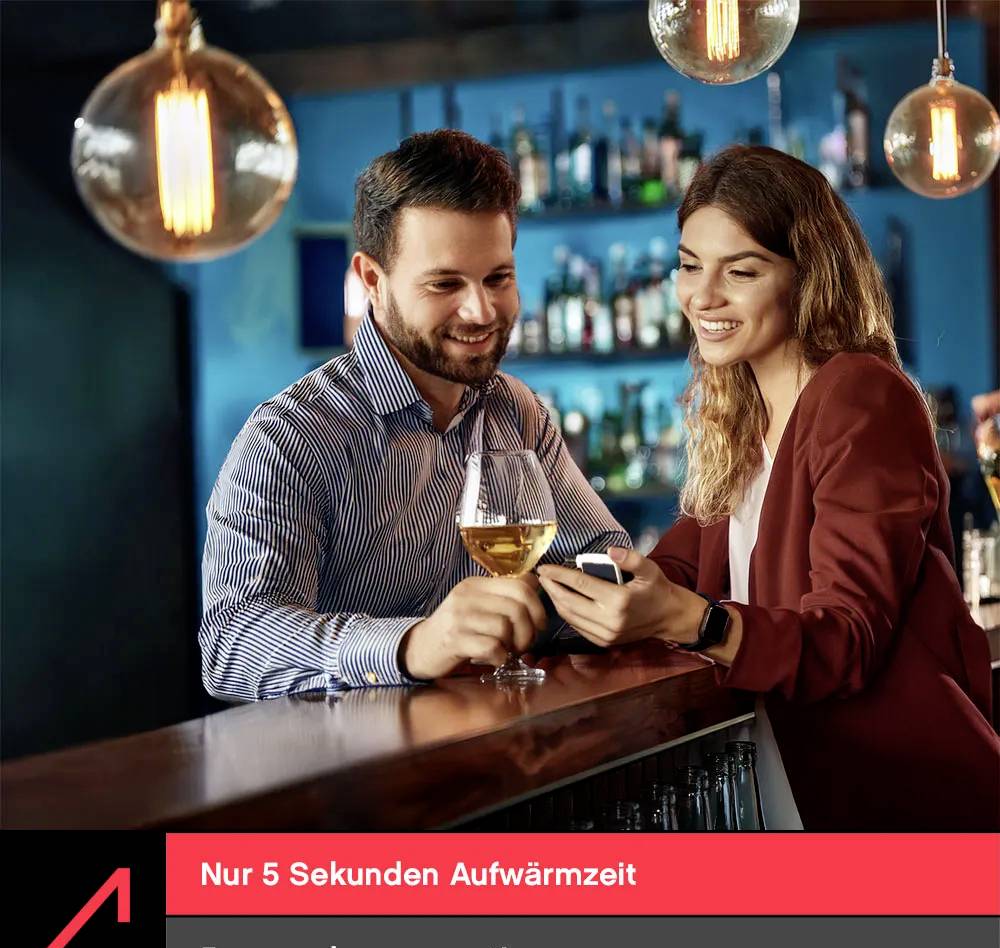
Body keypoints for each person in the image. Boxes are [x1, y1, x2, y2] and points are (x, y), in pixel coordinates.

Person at [538, 145, 999, 832]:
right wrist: (537, 599)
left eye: (741, 271)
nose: (702, 296)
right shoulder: (743, 420)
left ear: (806, 277)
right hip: (807, 792)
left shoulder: (860, 395)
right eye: (690, 266)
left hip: (905, 804)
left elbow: (846, 640)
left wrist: (690, 621)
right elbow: (671, 571)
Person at [200, 130, 629, 701]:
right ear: (373, 281)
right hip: (356, 779)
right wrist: (413, 645)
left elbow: (597, 567)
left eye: (498, 278)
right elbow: (233, 645)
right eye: (445, 283)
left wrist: (621, 594)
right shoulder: (290, 436)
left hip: (497, 757)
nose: (481, 311)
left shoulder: (517, 412)